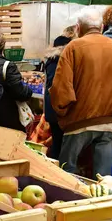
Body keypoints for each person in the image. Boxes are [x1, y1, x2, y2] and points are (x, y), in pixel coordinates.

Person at [50, 8, 112, 176]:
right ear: (102, 26)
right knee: (103, 180)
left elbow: (61, 89)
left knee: (67, 175)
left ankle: (70, 201)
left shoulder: (73, 47)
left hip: (78, 122)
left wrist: (63, 116)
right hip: (110, 124)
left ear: (78, 28)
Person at [44, 25, 76, 159]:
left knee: (58, 141)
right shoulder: (61, 61)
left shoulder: (51, 60)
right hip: (60, 108)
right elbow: (57, 86)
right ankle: (59, 171)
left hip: (52, 108)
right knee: (63, 145)